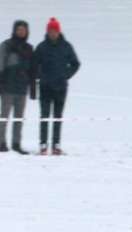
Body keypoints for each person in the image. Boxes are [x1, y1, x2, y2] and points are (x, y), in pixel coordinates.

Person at [32, 17, 79, 155]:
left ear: (59, 31)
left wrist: (66, 75)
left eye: (55, 31)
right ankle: (43, 145)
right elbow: (34, 64)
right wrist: (40, 76)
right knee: (44, 116)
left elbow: (75, 64)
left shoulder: (66, 46)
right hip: (45, 87)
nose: (53, 33)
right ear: (47, 32)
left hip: (60, 87)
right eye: (51, 31)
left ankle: (56, 145)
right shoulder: (41, 47)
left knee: (58, 117)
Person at [0, 20, 33, 154]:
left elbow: (32, 68)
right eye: (19, 29)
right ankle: (1, 142)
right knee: (4, 117)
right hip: (8, 88)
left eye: (23, 30)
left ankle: (16, 143)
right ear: (14, 30)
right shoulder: (6, 45)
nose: (21, 32)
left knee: (19, 118)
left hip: (22, 89)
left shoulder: (29, 48)